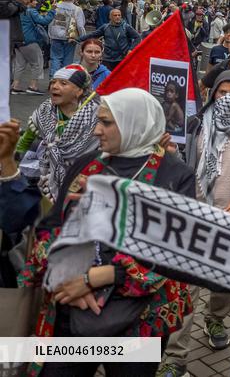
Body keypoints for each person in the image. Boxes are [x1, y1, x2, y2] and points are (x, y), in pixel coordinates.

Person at [19, 88, 196, 377]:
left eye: (106, 122)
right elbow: (51, 225)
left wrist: (100, 277)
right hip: (73, 308)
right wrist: (69, 279)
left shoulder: (174, 175)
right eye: (98, 121)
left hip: (137, 321)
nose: (96, 130)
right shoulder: (87, 165)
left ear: (133, 123)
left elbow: (172, 253)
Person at [159, 72, 230, 374]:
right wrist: (171, 154)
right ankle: (175, 357)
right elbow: (183, 166)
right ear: (212, 94)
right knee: (186, 287)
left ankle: (216, 318)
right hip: (195, 217)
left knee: (224, 280)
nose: (227, 98)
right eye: (222, 92)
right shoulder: (196, 123)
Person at [15, 65, 100, 200]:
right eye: (53, 82)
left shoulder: (95, 116)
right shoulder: (44, 111)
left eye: (63, 83)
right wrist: (15, 162)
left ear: (79, 91)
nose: (54, 86)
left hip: (80, 180)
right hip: (43, 175)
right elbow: (26, 140)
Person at [13, 0, 53, 94]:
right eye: (34, 0)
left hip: (17, 40)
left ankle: (15, 86)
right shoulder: (31, 11)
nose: (36, 2)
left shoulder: (16, 10)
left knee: (20, 64)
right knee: (37, 63)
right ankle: (33, 86)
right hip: (29, 39)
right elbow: (43, 21)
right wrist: (52, 11)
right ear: (29, 2)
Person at [47, 0, 85, 74]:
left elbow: (50, 20)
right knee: (67, 60)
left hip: (55, 35)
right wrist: (83, 38)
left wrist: (50, 34)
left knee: (55, 58)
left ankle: (54, 77)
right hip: (70, 37)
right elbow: (80, 26)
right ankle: (64, 77)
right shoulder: (77, 9)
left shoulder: (55, 6)